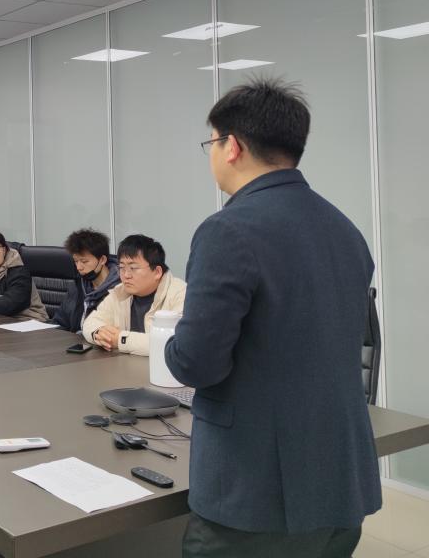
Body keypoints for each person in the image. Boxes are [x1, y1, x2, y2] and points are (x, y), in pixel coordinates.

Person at [165, 78, 380, 557]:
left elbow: (197, 363)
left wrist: (170, 343)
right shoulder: (345, 229)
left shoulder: (227, 230)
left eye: (211, 142)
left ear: (232, 146)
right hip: (340, 479)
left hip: (255, 493)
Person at [82, 235, 185, 355]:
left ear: (157, 272)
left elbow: (174, 342)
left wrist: (121, 339)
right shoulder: (120, 292)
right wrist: (99, 332)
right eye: (121, 267)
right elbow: (90, 322)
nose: (126, 275)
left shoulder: (181, 293)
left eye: (133, 268)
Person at [52, 228, 120, 332]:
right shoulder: (77, 286)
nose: (79, 267)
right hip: (74, 340)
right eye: (76, 261)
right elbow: (60, 322)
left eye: (84, 261)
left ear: (102, 260)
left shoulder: (120, 289)